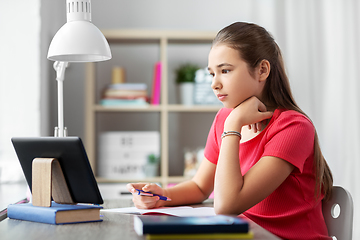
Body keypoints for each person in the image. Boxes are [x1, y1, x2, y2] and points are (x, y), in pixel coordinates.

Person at [127, 22, 333, 240]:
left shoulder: (293, 128)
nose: (215, 84)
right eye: (212, 74)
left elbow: (227, 205)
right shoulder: (225, 119)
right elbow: (200, 186)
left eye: (225, 71)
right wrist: (163, 196)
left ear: (262, 70)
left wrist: (233, 125)